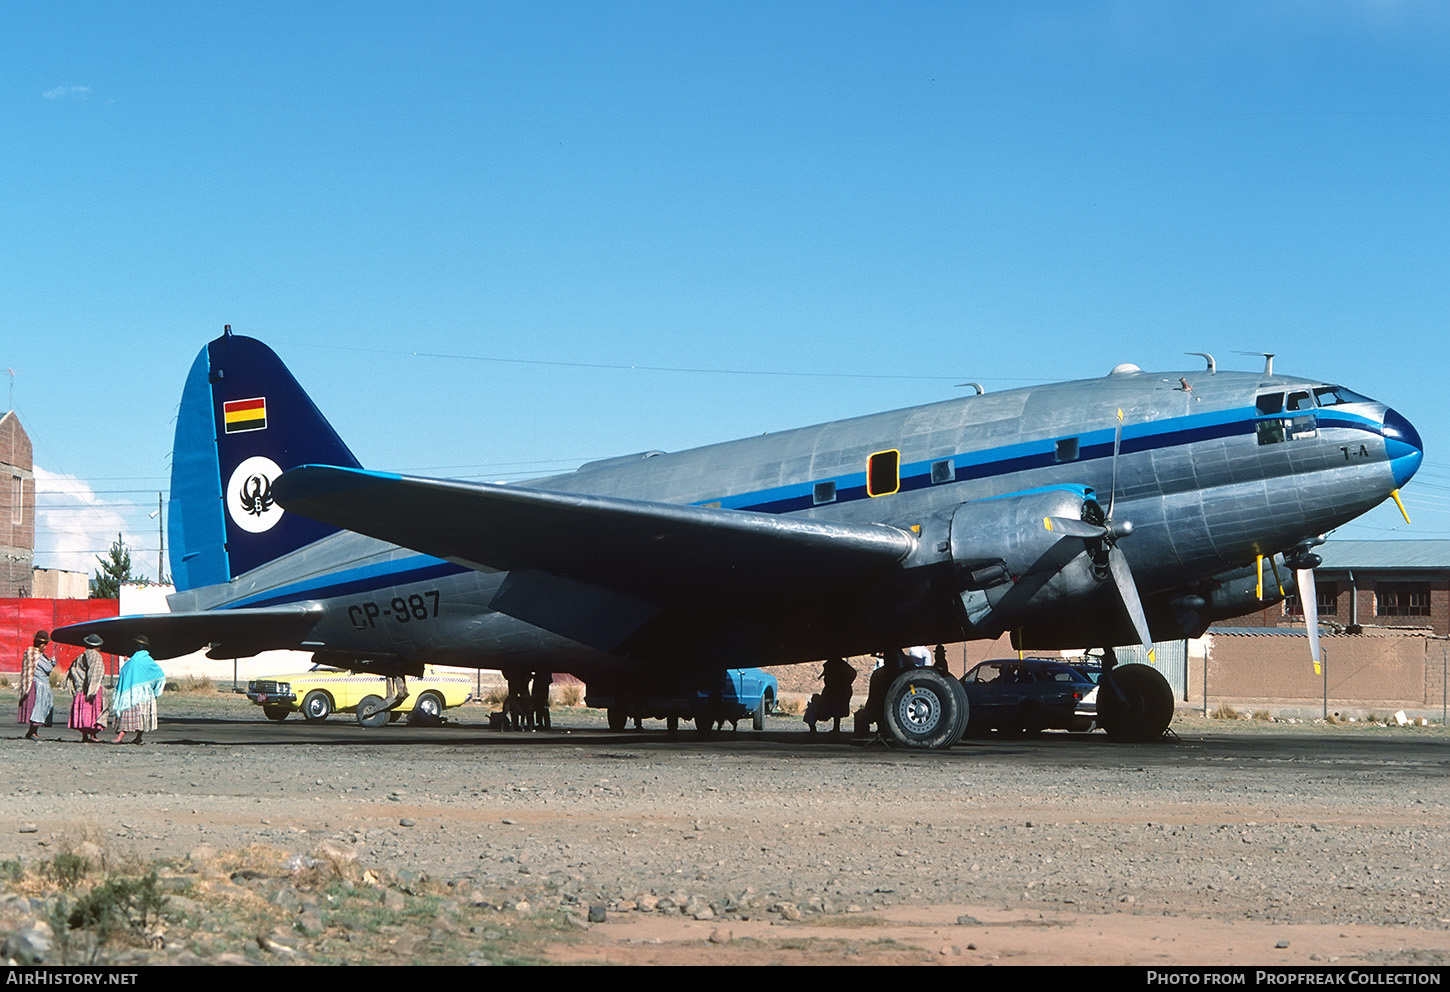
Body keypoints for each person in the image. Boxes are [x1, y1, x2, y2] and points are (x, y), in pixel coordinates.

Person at [112, 637, 165, 745]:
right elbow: (160, 676)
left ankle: (120, 736)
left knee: (126, 715)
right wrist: (155, 690)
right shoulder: (148, 660)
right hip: (145, 695)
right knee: (142, 716)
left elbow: (125, 673)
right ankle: (138, 737)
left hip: (130, 695)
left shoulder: (132, 661)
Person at [66, 634, 107, 743]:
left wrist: (79, 685)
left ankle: (85, 735)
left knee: (84, 712)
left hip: (81, 689)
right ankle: (93, 735)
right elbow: (95, 674)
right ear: (97, 646)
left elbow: (73, 671)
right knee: (95, 712)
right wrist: (92, 689)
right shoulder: (96, 657)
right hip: (93, 688)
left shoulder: (80, 657)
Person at [17, 630, 55, 740]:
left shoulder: (30, 652)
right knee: (38, 707)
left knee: (36, 707)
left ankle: (32, 731)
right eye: (45, 644)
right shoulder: (37, 655)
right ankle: (32, 732)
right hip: (38, 685)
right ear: (42, 644)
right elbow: (47, 668)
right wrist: (52, 662)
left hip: (33, 683)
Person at [805, 657, 856, 735]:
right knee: (833, 710)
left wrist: (844, 685)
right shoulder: (836, 665)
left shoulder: (838, 666)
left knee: (834, 710)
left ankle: (835, 728)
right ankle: (834, 728)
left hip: (836, 692)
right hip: (834, 691)